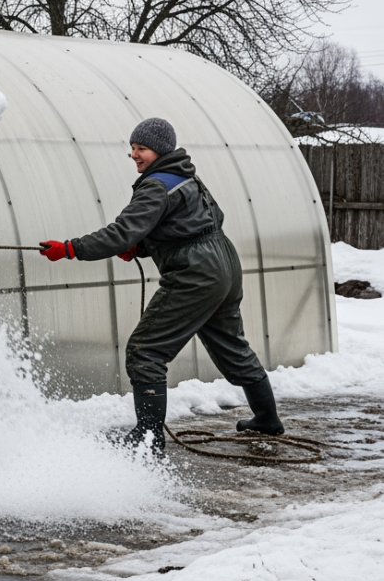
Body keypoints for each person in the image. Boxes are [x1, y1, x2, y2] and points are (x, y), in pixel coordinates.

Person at [39, 117, 284, 454]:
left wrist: (71, 248)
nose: (134, 154)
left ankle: (148, 437)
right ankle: (267, 419)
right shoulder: (186, 176)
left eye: (142, 148)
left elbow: (121, 231)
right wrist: (139, 247)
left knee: (146, 351)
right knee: (232, 346)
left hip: (196, 272)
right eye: (132, 147)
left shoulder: (156, 185)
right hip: (224, 264)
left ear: (160, 150)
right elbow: (189, 223)